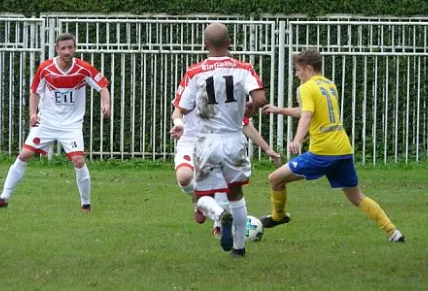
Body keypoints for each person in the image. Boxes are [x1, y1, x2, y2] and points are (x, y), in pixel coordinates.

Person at [260, 49, 404, 243]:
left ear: (308, 68)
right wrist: (280, 110)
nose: (296, 74)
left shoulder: (305, 88)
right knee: (357, 197)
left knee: (275, 179)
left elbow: (307, 115)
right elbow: (307, 111)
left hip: (322, 152)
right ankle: (393, 232)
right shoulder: (329, 85)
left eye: (298, 70)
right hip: (343, 149)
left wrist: (297, 139)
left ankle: (278, 216)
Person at [0, 33, 110, 212]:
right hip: (47, 122)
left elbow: (103, 86)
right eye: (63, 48)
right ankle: (3, 198)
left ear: (75, 48)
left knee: (78, 160)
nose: (67, 51)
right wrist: (33, 114)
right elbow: (34, 91)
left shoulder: (84, 68)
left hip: (71, 125)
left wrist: (106, 104)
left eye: (70, 47)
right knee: (24, 155)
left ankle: (86, 205)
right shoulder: (46, 68)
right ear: (57, 49)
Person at [176, 22, 267, 258]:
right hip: (234, 138)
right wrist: (249, 110)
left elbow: (183, 108)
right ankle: (238, 248)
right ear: (229, 43)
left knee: (202, 194)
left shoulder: (195, 72)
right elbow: (260, 97)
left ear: (205, 45)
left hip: (206, 140)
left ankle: (218, 215)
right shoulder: (244, 68)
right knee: (235, 192)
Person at [169, 106, 280, 238]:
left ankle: (219, 226)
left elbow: (245, 125)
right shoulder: (189, 85)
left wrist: (267, 149)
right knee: (184, 176)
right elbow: (178, 111)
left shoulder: (229, 94)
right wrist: (179, 124)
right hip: (190, 144)